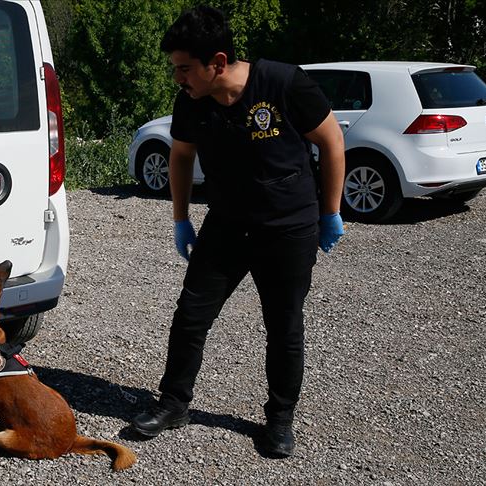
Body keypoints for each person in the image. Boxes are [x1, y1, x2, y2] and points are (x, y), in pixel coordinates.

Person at [130, 5, 346, 458]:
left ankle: (279, 422)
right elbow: (182, 156)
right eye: (175, 69)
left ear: (219, 62)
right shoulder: (192, 101)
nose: (178, 79)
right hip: (227, 226)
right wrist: (180, 218)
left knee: (283, 326)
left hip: (287, 230)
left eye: (185, 68)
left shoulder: (284, 84)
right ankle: (174, 404)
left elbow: (331, 141)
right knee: (191, 315)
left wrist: (329, 211)